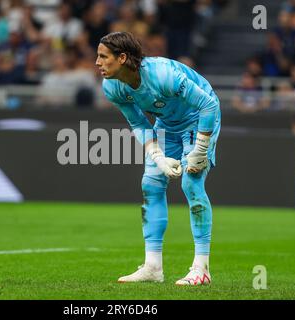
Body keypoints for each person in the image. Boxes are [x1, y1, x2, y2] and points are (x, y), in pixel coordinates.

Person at [97, 32, 220, 286]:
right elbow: (139, 123)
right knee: (151, 185)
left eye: (102, 56)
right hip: (167, 125)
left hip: (200, 119)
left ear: (122, 58)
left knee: (191, 182)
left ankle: (202, 269)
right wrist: (158, 157)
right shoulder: (112, 86)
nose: (97, 62)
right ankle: (153, 267)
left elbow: (208, 105)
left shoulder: (163, 74)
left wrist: (200, 148)